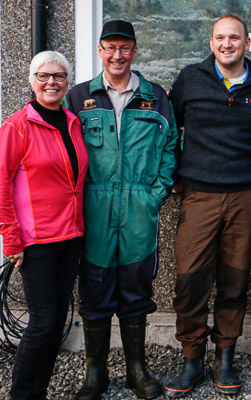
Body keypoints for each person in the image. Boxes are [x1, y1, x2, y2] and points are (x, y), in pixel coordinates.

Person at [165, 14, 251, 398]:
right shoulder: (189, 80)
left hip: (245, 197)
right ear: (211, 42)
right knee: (190, 280)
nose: (227, 44)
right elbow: (168, 130)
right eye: (220, 38)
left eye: (234, 38)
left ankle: (225, 357)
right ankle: (192, 359)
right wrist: (177, 177)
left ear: (248, 43)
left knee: (234, 281)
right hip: (199, 197)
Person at [65, 20, 178, 399]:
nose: (118, 55)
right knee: (95, 292)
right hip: (93, 210)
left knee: (136, 290)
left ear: (134, 51)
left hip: (137, 211)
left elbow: (169, 149)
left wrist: (155, 194)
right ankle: (94, 374)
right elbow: (64, 154)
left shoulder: (156, 97)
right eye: (110, 47)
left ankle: (136, 371)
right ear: (100, 50)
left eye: (125, 48)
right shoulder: (79, 97)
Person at [0, 50, 88, 400]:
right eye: (43, 76)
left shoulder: (71, 121)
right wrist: (11, 237)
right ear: (31, 81)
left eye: (59, 76)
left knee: (54, 325)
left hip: (71, 235)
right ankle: (22, 395)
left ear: (67, 82)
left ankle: (39, 391)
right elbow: (2, 183)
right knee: (42, 323)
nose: (51, 82)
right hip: (36, 239)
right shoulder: (16, 126)